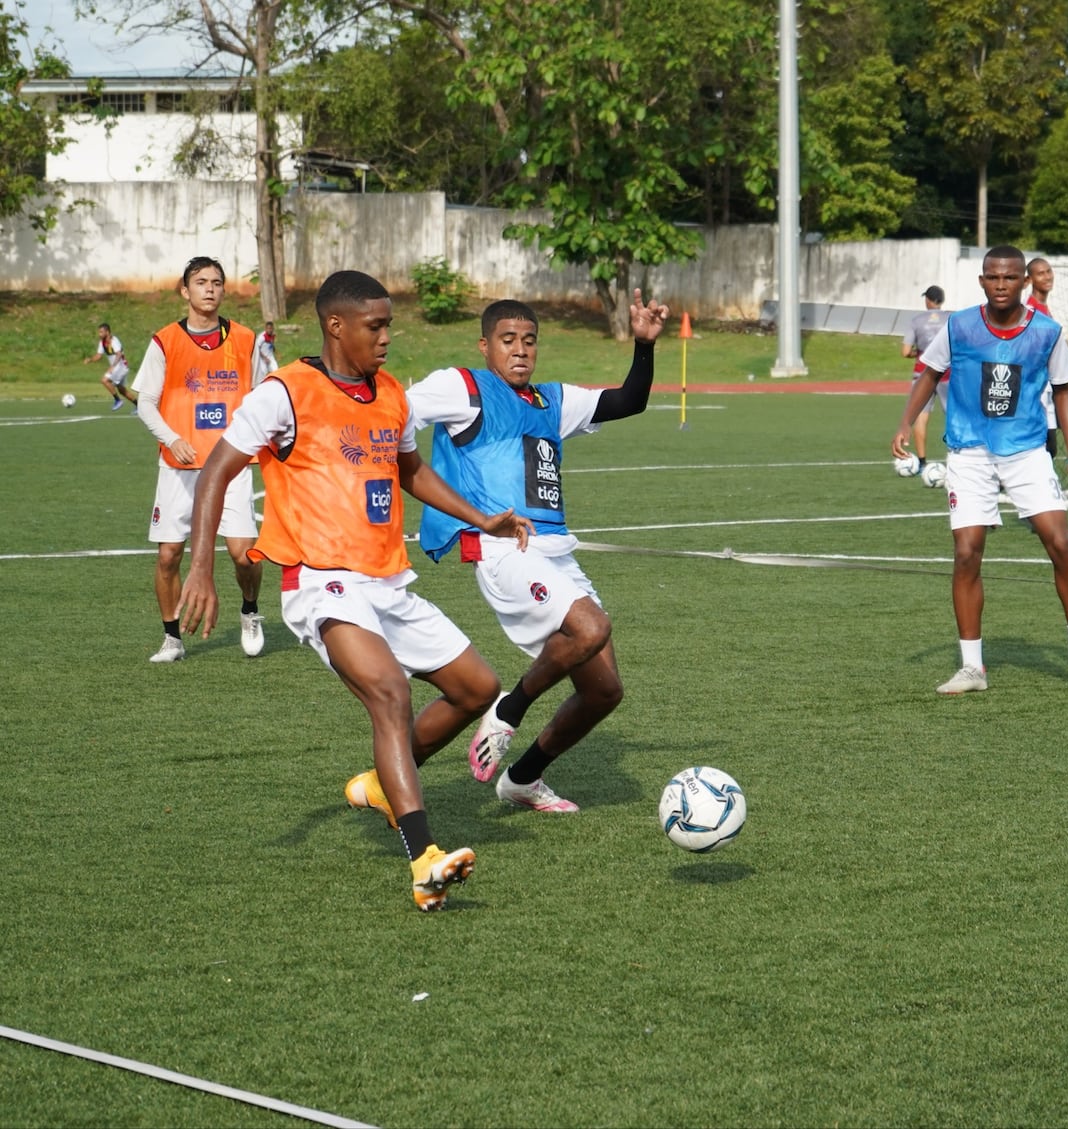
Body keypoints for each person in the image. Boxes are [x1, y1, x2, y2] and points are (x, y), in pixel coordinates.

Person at [177, 270, 534, 912]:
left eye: (389, 324)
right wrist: (201, 565)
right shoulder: (286, 391)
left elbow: (409, 470)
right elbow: (216, 470)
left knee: (477, 689)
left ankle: (378, 783)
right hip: (319, 580)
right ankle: (424, 858)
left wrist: (483, 518)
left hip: (385, 578)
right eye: (376, 326)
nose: (387, 337)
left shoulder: (390, 393)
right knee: (390, 694)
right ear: (336, 326)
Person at [347, 289, 670, 815]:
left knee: (604, 691)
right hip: (503, 549)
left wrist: (643, 345)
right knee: (590, 628)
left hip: (556, 555)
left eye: (529, 341)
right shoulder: (464, 387)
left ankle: (521, 778)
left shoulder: (551, 401)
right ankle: (508, 710)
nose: (520, 350)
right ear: (485, 346)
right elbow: (397, 410)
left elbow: (628, 400)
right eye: (507, 341)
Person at [890, 245, 1068, 695]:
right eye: (993, 277)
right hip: (969, 452)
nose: (1001, 285)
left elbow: (1064, 390)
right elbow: (930, 373)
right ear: (981, 281)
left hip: (1027, 451)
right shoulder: (959, 326)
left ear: (1024, 282)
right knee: (967, 550)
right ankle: (972, 668)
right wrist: (905, 422)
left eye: (1010, 278)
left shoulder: (1047, 332)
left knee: (1060, 540)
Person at [132, 256, 265, 663]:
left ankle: (250, 611)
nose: (210, 288)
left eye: (217, 282)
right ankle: (172, 638)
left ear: (224, 291)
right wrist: (172, 440)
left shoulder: (247, 340)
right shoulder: (164, 341)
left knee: (245, 553)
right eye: (201, 281)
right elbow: (146, 403)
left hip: (232, 466)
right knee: (169, 555)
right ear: (185, 291)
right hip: (179, 468)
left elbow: (264, 397)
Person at [900, 286, 949, 470]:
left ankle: (921, 462)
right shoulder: (950, 319)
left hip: (923, 373)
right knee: (953, 417)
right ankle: (956, 459)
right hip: (947, 373)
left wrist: (919, 353)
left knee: (921, 417)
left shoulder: (916, 321)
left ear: (928, 300)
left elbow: (905, 351)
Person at [1024, 257, 1059, 457]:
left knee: (1050, 449)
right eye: (1040, 273)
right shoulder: (1031, 310)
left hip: (1047, 387)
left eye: (1048, 271)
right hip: (1035, 389)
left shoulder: (1044, 309)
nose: (1047, 276)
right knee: (1039, 449)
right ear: (1029, 280)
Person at [84, 322, 137, 412]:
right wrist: (90, 360)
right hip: (118, 367)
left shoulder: (114, 341)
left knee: (104, 380)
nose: (99, 334)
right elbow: (99, 355)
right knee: (122, 390)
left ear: (107, 332)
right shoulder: (102, 342)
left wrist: (112, 367)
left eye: (101, 332)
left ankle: (117, 400)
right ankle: (138, 405)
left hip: (121, 366)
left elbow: (119, 354)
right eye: (99, 332)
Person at [252, 320, 278, 387]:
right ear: (265, 329)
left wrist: (275, 350)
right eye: (268, 328)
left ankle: (275, 387)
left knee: (276, 371)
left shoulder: (273, 335)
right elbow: (257, 348)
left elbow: (271, 343)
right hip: (262, 359)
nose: (270, 330)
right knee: (263, 374)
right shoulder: (262, 337)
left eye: (271, 328)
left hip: (270, 357)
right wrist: (264, 358)